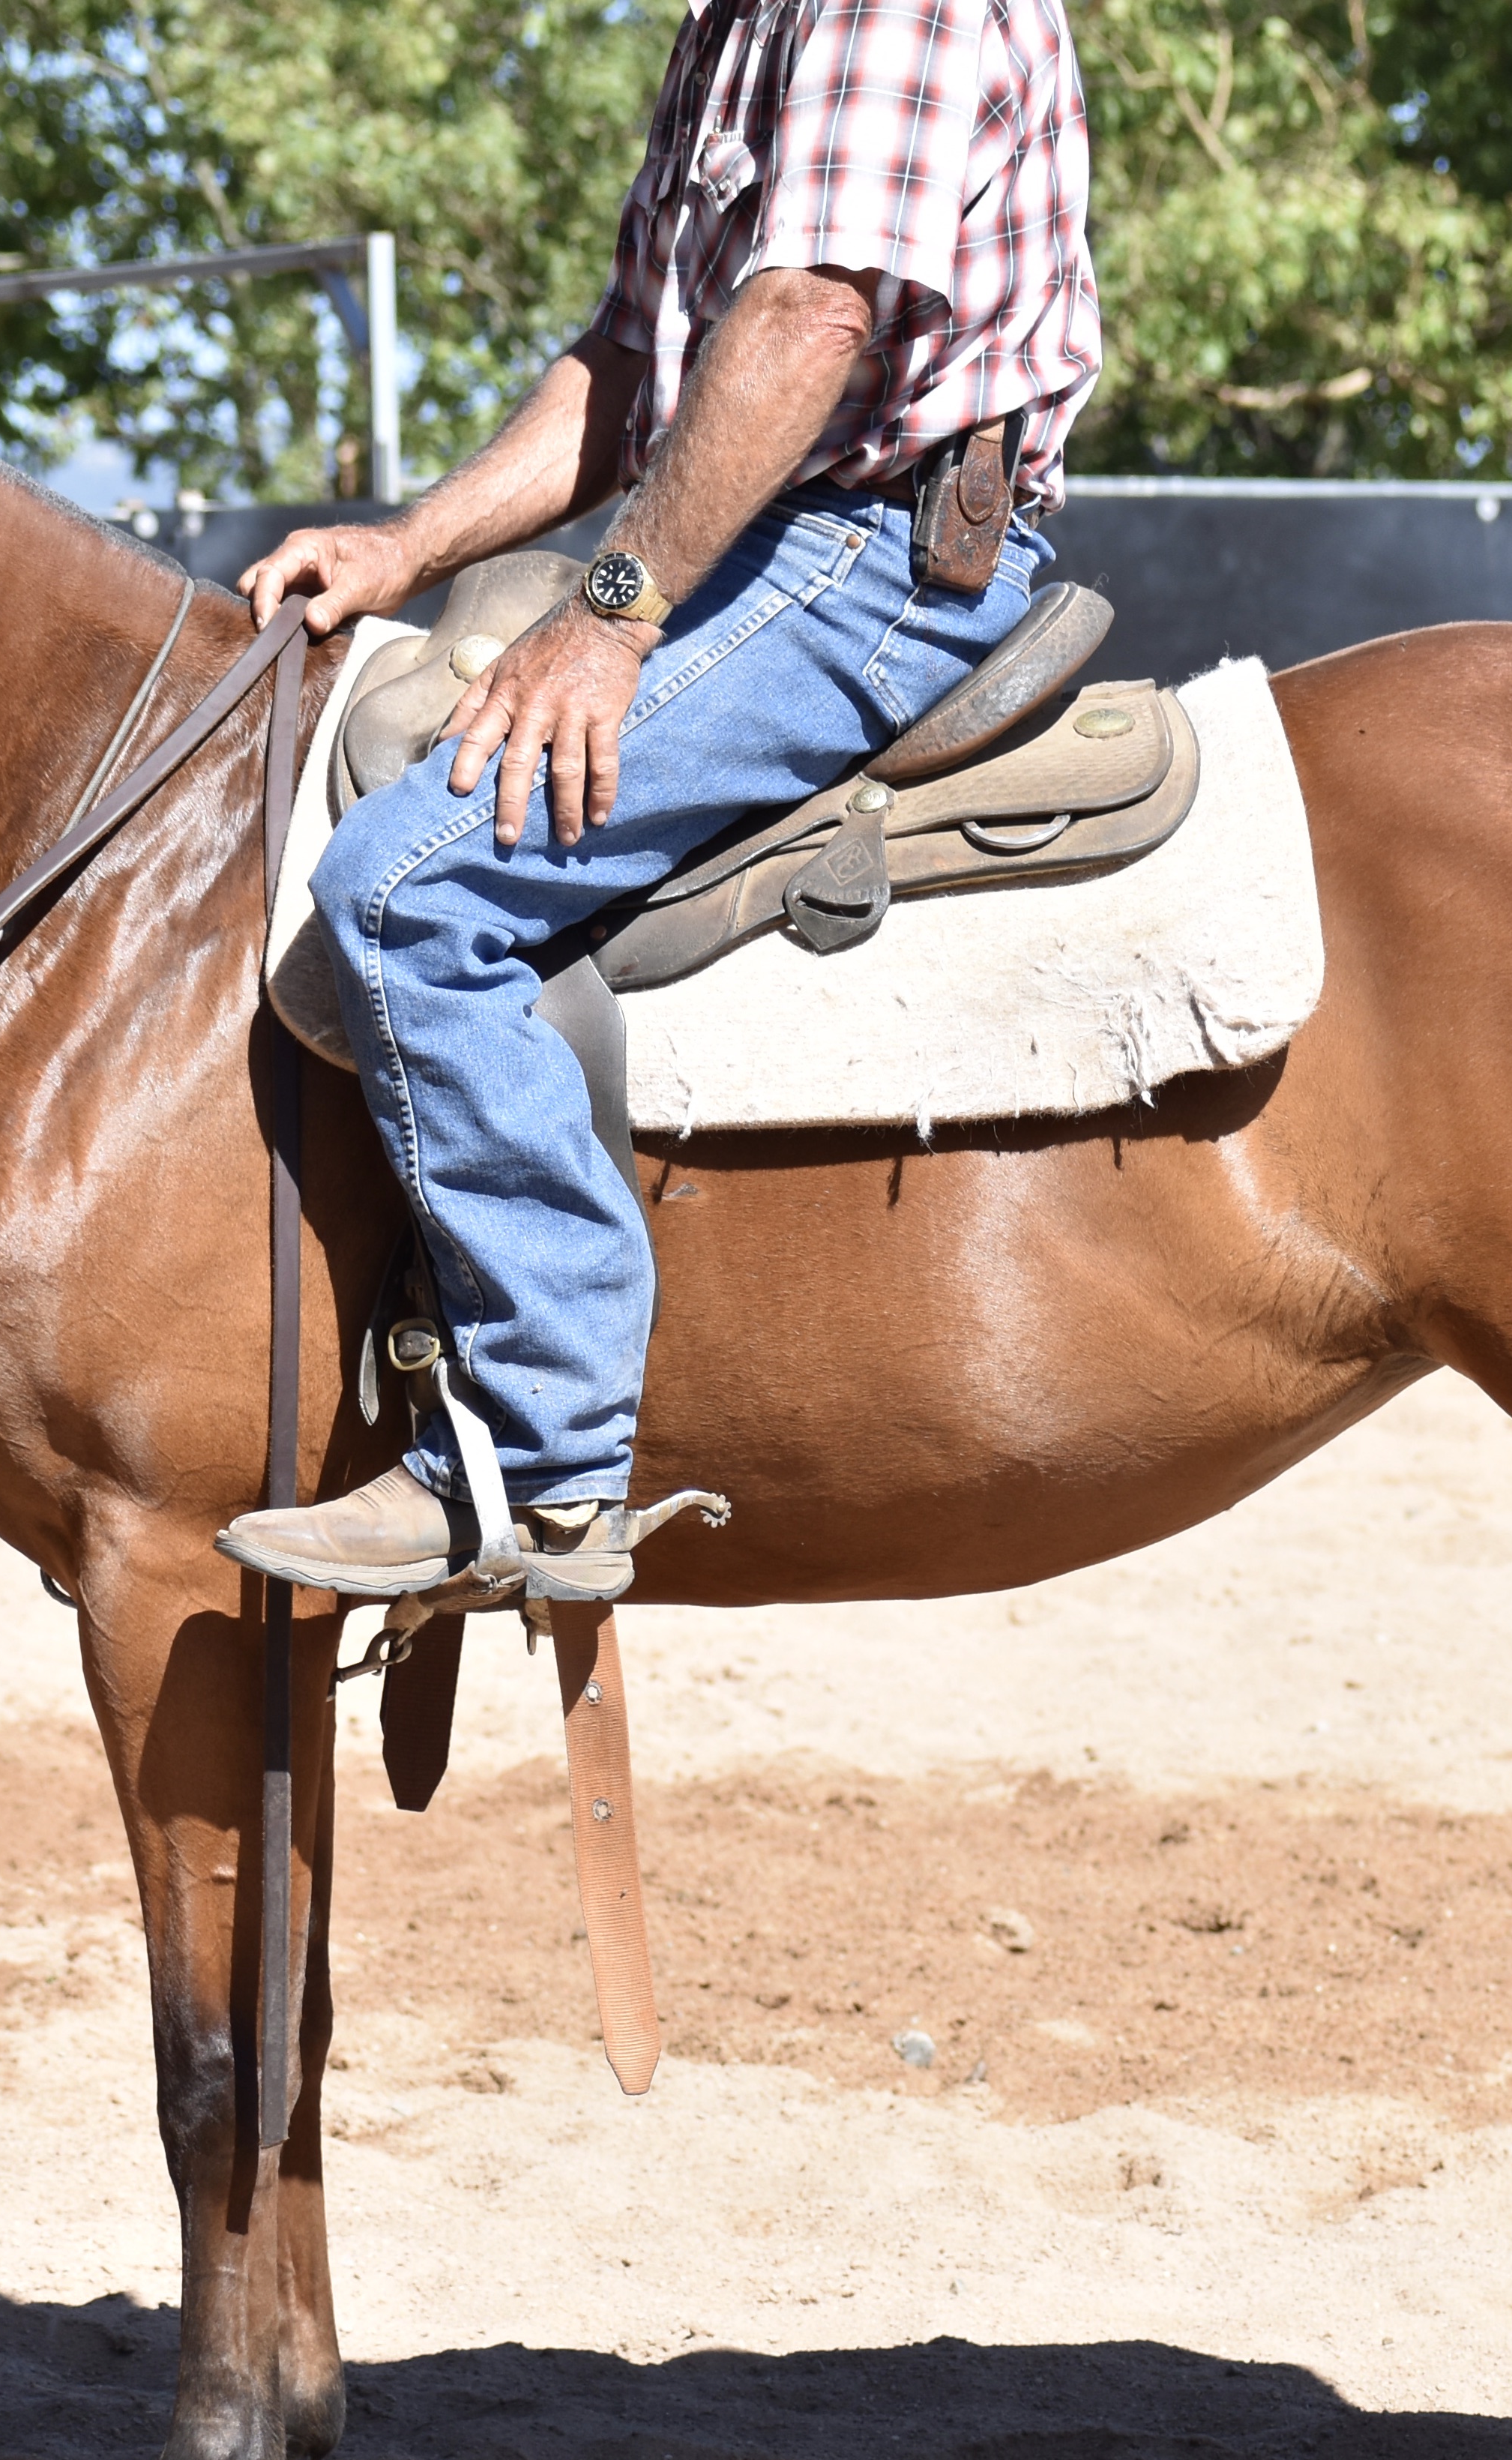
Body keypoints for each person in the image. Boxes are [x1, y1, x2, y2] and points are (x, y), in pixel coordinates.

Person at [216, 0, 1100, 1604]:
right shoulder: (727, 25)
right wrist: (409, 545)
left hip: (876, 559)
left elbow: (810, 318)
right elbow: (629, 366)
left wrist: (608, 618)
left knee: (408, 892)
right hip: (758, 526)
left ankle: (538, 1459)